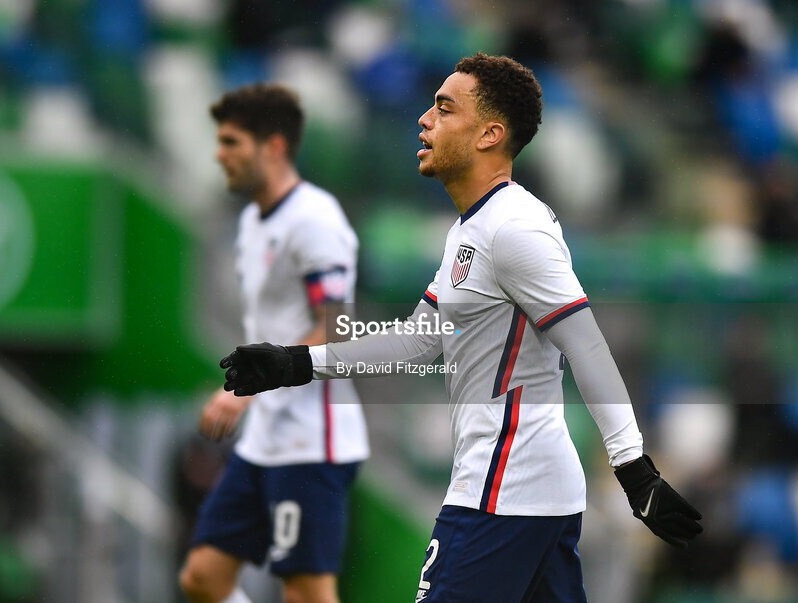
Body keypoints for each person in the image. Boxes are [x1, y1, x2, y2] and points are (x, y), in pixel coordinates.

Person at [218, 54, 703, 602]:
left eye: (445, 109)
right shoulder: (475, 229)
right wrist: (295, 363)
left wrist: (634, 470)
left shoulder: (514, 230)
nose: (424, 119)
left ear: (490, 134)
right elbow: (418, 339)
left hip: (502, 491)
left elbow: (586, 343)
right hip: (531, 490)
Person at [179, 84, 369, 603]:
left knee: (305, 592)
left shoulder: (315, 219)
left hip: (313, 440)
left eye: (232, 141)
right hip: (266, 438)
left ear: (275, 147)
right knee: (203, 577)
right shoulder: (250, 222)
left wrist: (246, 388)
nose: (219, 154)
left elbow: (338, 325)